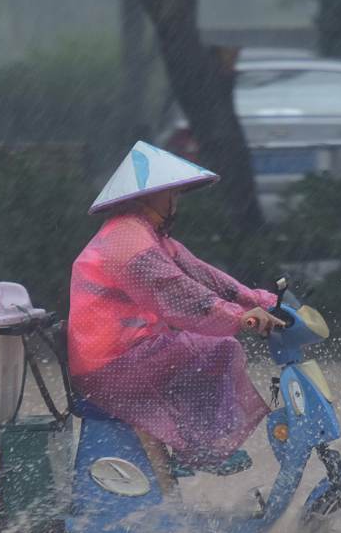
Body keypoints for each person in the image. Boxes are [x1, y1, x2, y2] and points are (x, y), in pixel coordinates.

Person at [68, 141, 283, 494]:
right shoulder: (126, 241)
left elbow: (205, 277)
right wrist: (240, 319)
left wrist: (265, 301)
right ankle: (198, 449)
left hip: (135, 355)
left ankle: (194, 448)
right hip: (111, 366)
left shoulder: (148, 237)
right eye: (171, 195)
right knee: (218, 350)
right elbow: (179, 294)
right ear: (148, 197)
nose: (175, 203)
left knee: (213, 349)